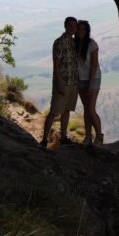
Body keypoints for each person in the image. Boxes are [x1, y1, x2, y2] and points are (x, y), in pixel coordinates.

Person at [41, 16, 80, 147]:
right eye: (70, 26)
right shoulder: (60, 42)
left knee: (67, 110)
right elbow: (56, 64)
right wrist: (59, 83)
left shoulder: (74, 42)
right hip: (63, 82)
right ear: (65, 26)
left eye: (75, 26)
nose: (73, 29)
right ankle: (44, 139)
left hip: (73, 82)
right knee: (54, 111)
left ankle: (64, 137)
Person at [76, 19, 103, 145]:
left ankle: (99, 135)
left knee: (91, 109)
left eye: (83, 29)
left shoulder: (92, 45)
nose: (81, 31)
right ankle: (87, 137)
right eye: (79, 29)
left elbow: (93, 66)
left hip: (93, 78)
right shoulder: (75, 43)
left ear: (87, 31)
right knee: (87, 109)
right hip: (81, 79)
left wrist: (90, 84)